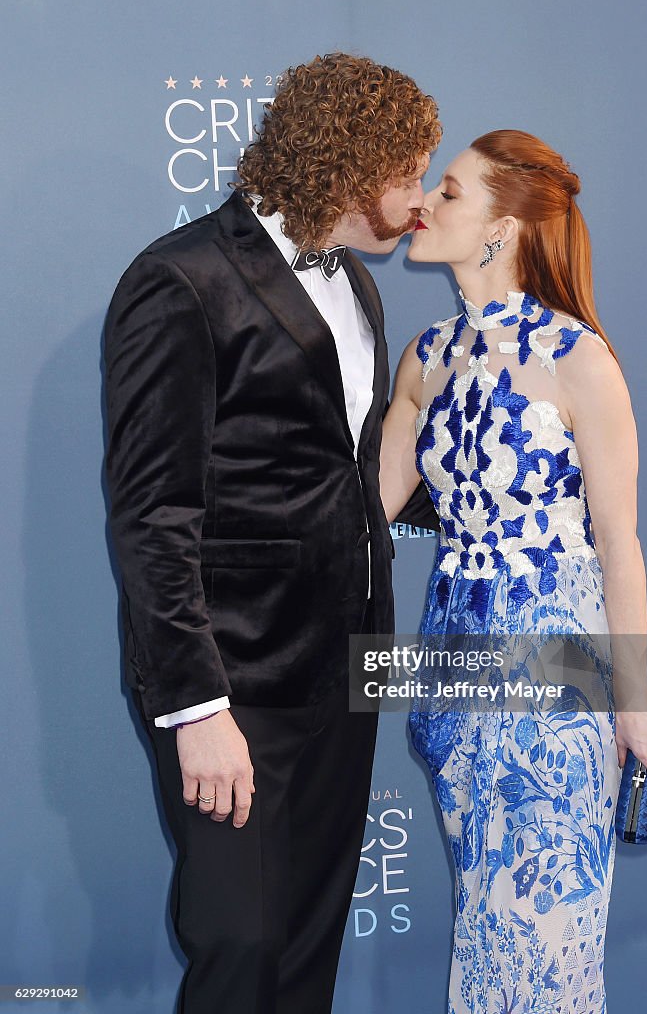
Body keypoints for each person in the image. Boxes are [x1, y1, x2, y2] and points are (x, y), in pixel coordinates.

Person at [104, 52, 440, 1014]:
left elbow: (353, 468)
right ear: (347, 167)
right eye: (408, 174)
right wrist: (197, 710)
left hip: (349, 661)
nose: (420, 202)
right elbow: (151, 513)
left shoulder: (361, 291)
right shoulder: (182, 281)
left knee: (306, 943)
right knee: (240, 946)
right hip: (234, 678)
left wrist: (481, 493)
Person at [380, 129, 647, 1013]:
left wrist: (636, 693)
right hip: (452, 664)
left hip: (556, 665)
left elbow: (617, 543)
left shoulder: (577, 359)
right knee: (483, 925)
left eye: (453, 191)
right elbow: (364, 508)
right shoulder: (426, 358)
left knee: (548, 938)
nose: (426, 200)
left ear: (503, 228)